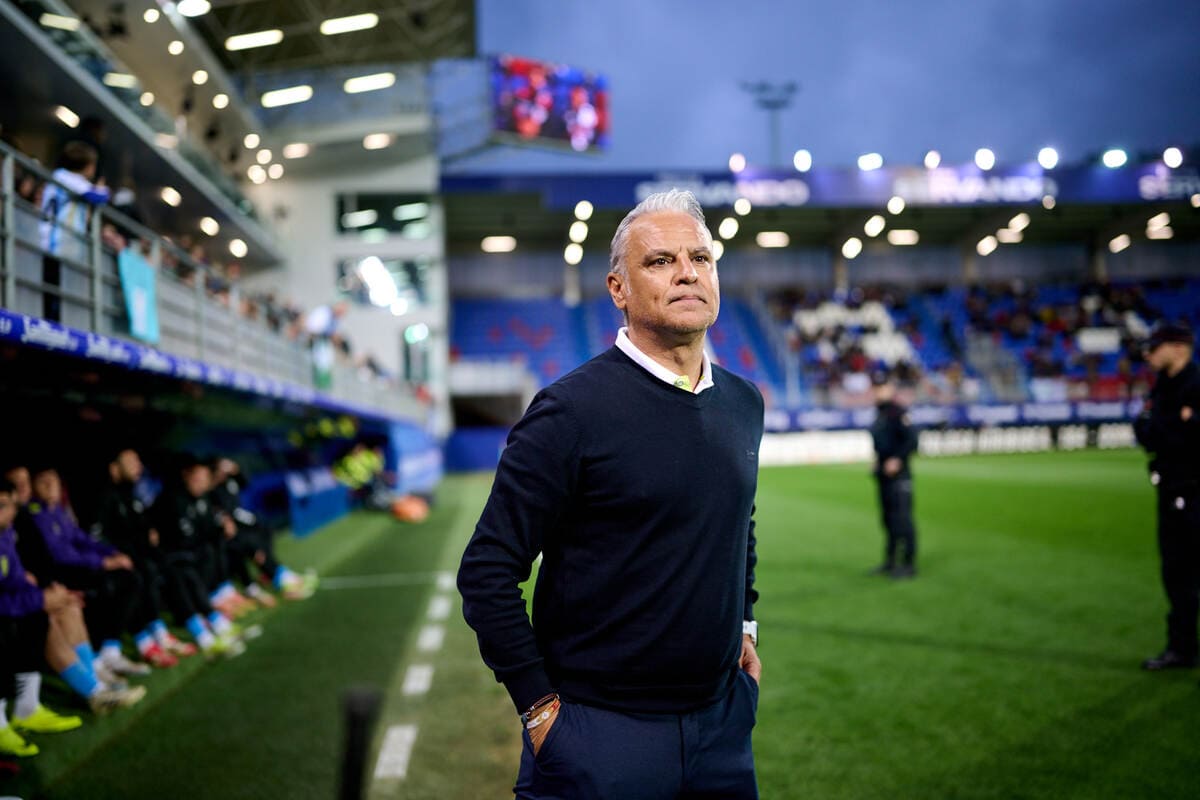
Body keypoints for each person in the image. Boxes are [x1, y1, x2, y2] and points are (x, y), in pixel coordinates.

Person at [458, 189, 763, 799]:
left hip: (721, 729)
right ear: (619, 289)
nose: (686, 272)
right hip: (599, 736)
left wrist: (747, 627)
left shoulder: (742, 402)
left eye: (700, 258)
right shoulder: (570, 412)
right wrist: (541, 710)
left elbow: (738, 525)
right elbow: (488, 569)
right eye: (660, 262)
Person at [22, 467, 150, 679]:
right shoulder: (35, 514)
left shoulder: (57, 510)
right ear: (34, 486)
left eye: (54, 481)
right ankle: (98, 655)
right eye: (44, 481)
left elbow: (80, 538)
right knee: (112, 585)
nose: (51, 486)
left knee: (133, 576)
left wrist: (112, 553)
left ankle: (110, 650)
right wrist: (103, 562)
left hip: (78, 567)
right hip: (62, 572)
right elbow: (59, 555)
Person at [1133, 321, 1200, 670]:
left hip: (1193, 491)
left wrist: (1170, 427)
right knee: (1176, 575)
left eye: (1155, 347)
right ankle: (1182, 649)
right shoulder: (1160, 386)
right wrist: (1177, 423)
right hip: (1170, 490)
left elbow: (1182, 437)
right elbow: (1145, 432)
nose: (1148, 354)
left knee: (1188, 572)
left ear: (1179, 347)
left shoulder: (1195, 384)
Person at [868, 371, 919, 579]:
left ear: (890, 388)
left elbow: (912, 441)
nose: (879, 390)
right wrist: (878, 461)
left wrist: (896, 459)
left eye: (882, 386)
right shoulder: (879, 413)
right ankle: (890, 562)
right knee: (888, 520)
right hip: (883, 476)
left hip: (900, 477)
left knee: (903, 520)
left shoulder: (898, 412)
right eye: (876, 387)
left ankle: (908, 563)